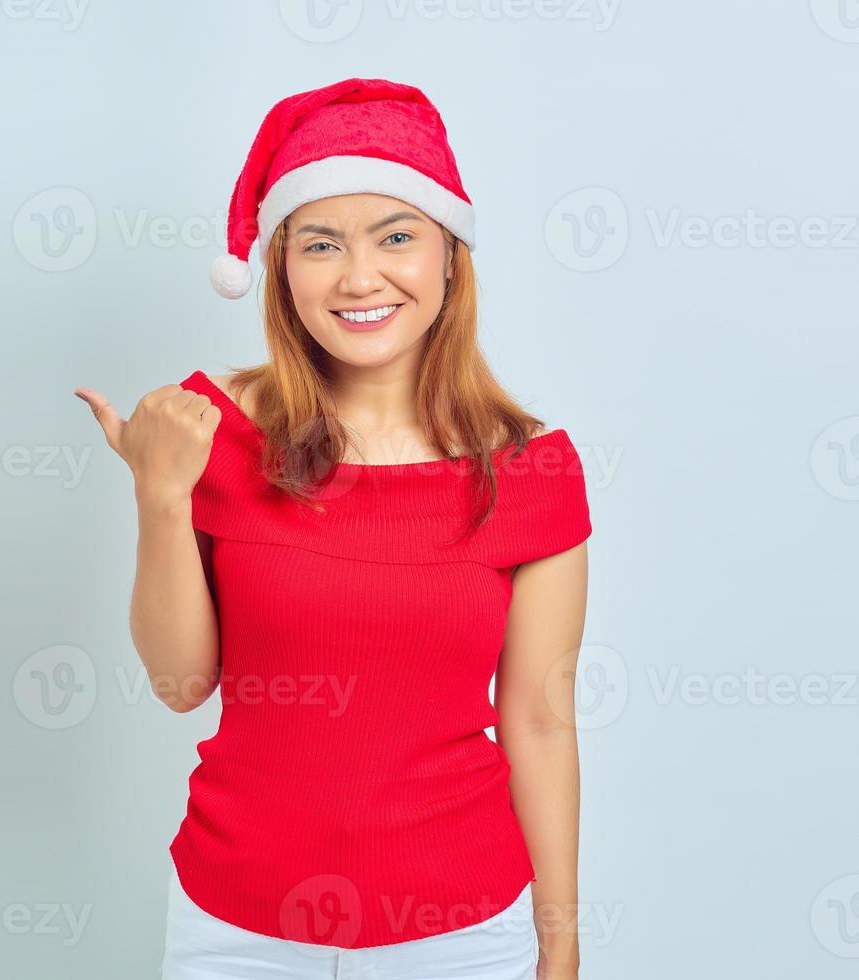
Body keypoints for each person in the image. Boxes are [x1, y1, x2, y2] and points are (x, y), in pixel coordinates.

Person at [75, 77, 590, 980]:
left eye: (397, 236)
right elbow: (179, 681)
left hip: (464, 936)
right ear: (281, 269)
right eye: (322, 244)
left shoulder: (532, 468)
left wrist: (560, 945)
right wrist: (160, 500)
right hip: (234, 930)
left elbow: (539, 725)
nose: (360, 277)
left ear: (449, 259)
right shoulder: (208, 430)